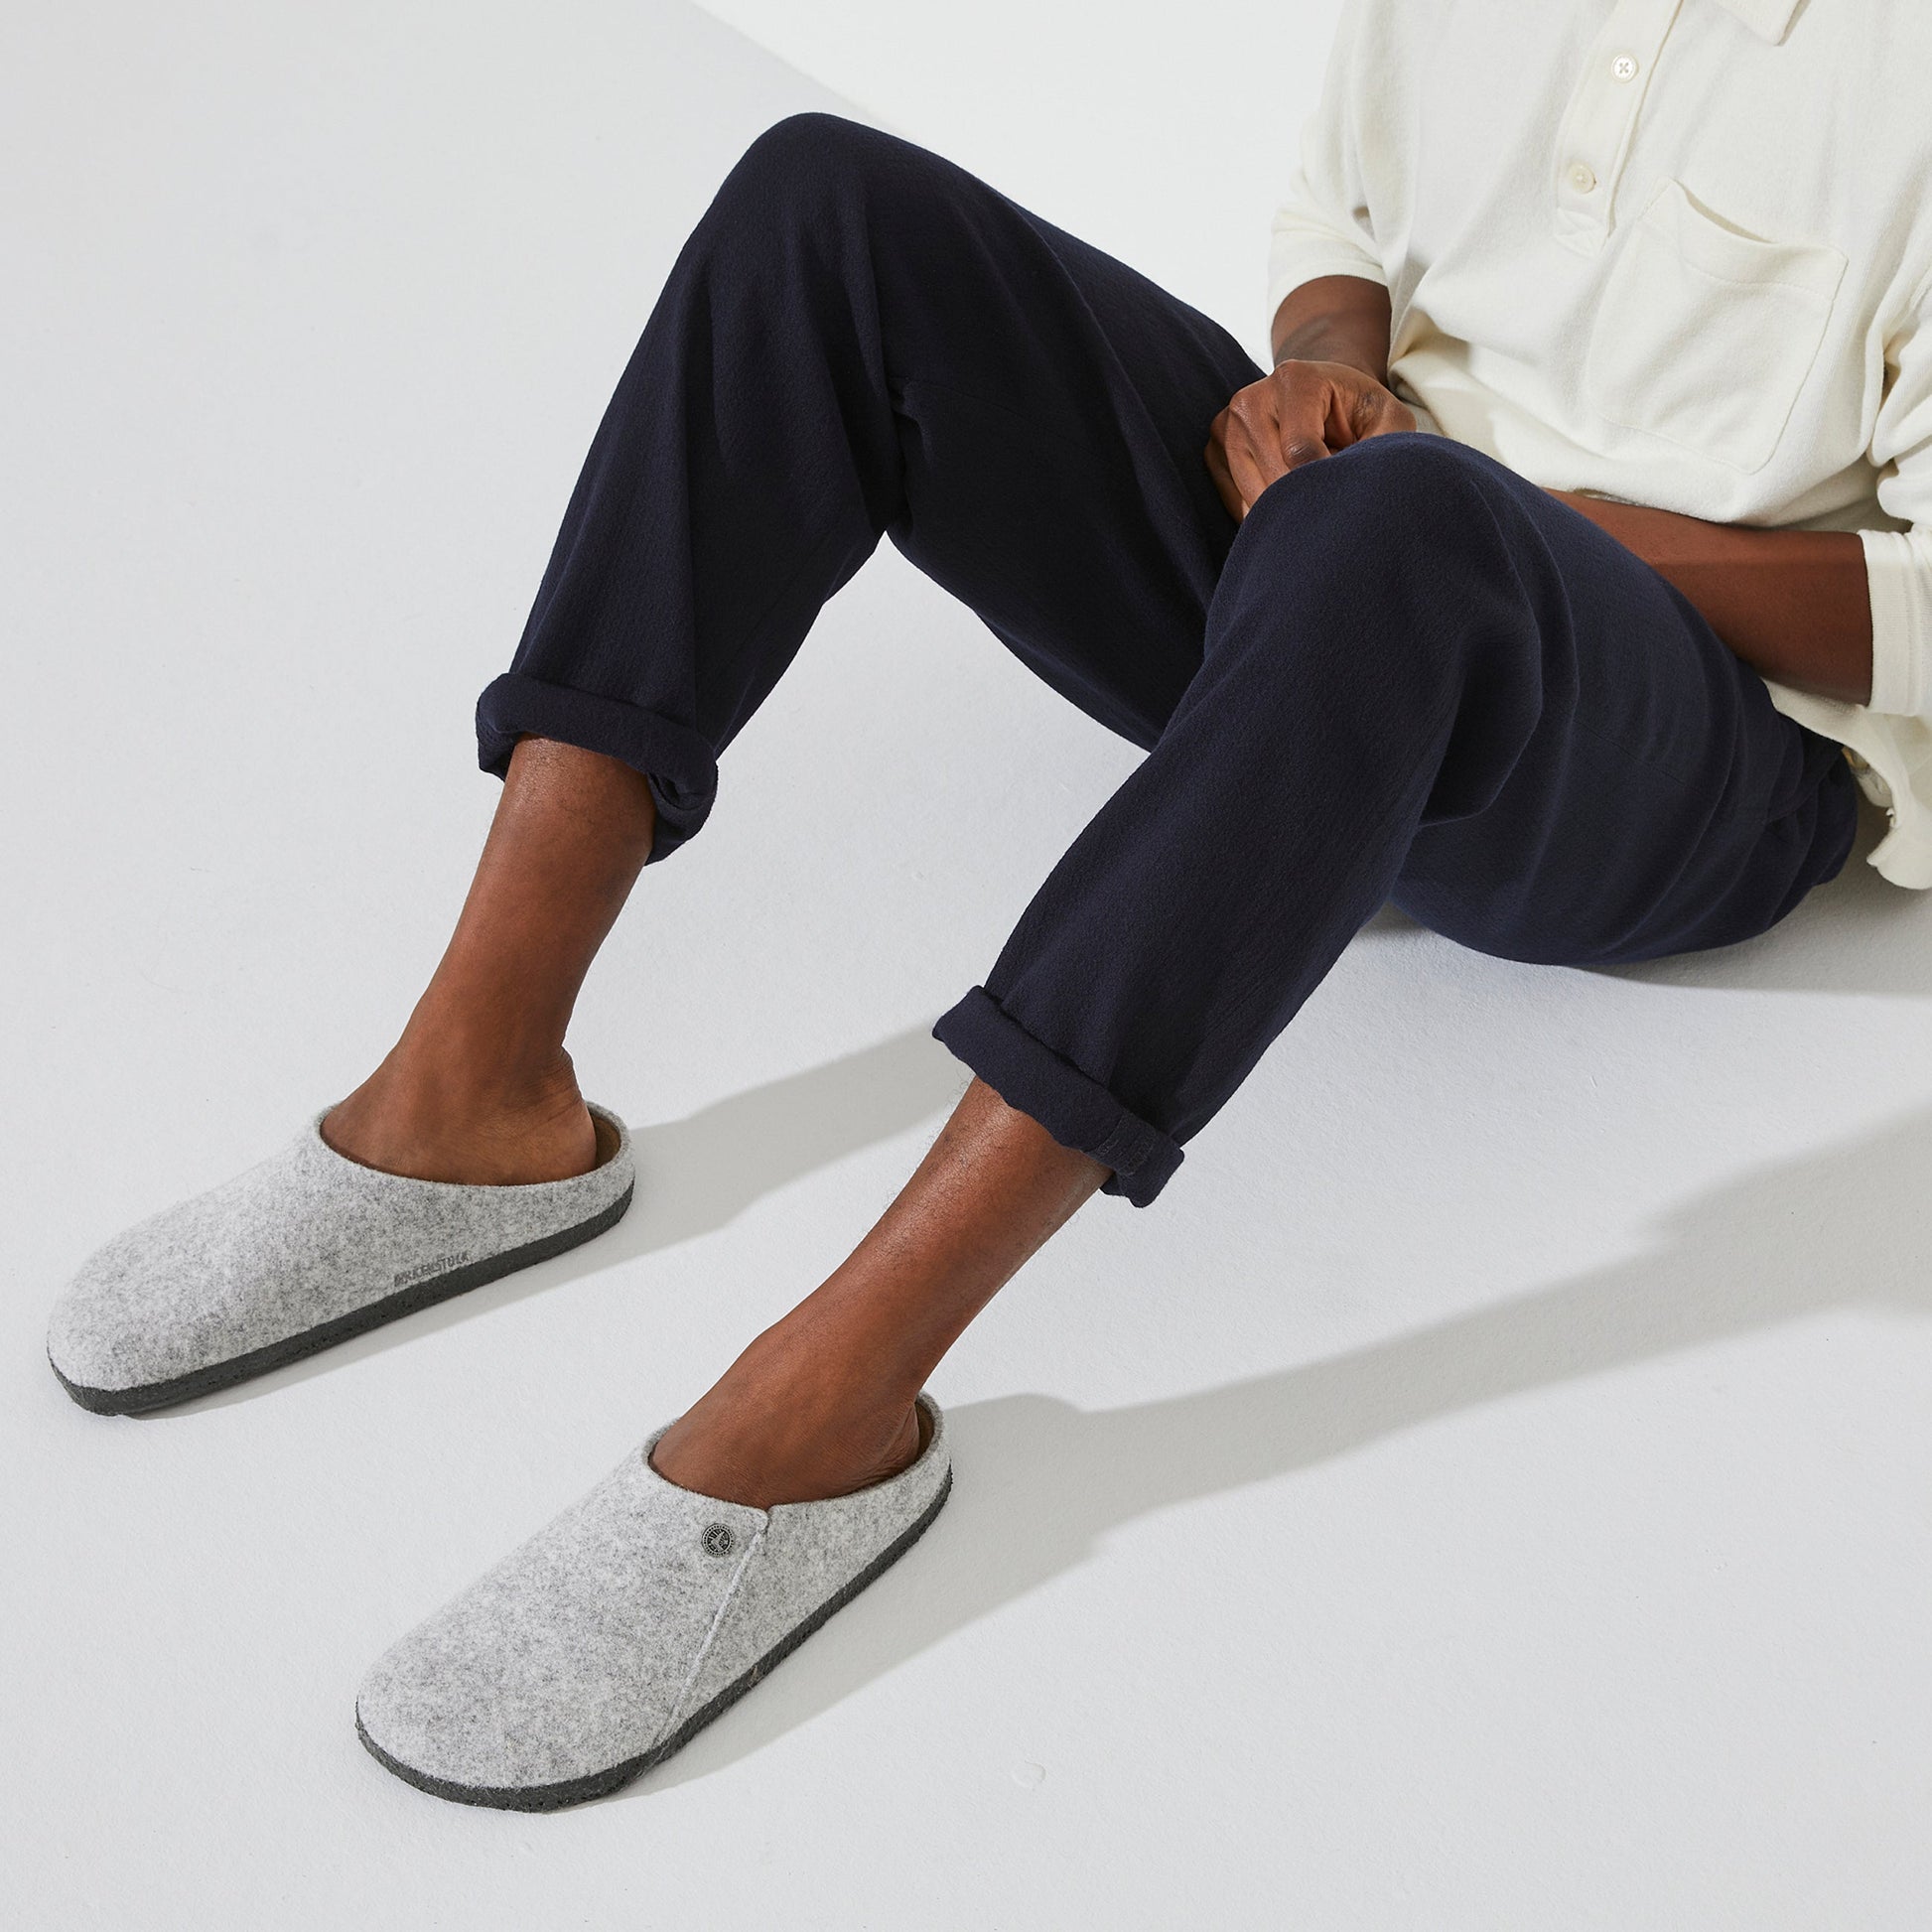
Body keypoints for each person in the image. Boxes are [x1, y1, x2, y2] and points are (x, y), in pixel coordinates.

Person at [47, 0, 1932, 1809]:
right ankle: (474, 1090)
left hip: (1692, 750)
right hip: (1346, 549)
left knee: (1409, 530)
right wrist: (1324, 371)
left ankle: (831, 1403)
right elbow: (1344, 219)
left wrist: (1474, 511)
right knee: (826, 212)